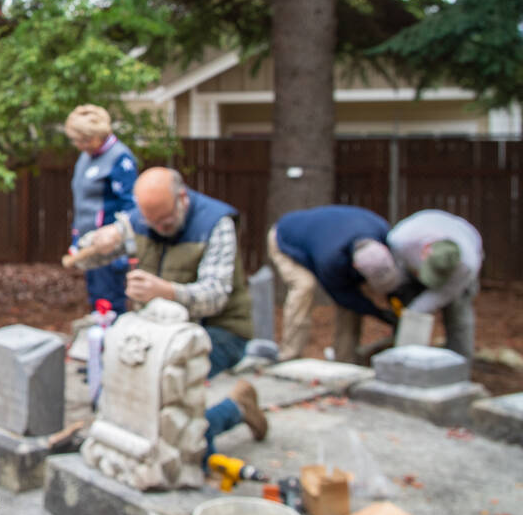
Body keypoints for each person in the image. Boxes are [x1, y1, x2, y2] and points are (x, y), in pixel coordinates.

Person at [63, 167, 263, 452]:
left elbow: (215, 296)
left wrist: (166, 291)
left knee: (165, 390)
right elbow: (83, 261)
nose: (156, 228)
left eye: (165, 222)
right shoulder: (142, 220)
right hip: (159, 332)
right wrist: (94, 243)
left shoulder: (216, 224)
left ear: (181, 199)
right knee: (127, 380)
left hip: (220, 330)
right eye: (150, 221)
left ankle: (232, 412)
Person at [268, 205, 404, 363]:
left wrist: (398, 309)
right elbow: (344, 297)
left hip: (326, 236)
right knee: (305, 286)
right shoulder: (331, 260)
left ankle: (345, 361)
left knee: (353, 303)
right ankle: (289, 354)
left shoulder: (383, 231)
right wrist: (379, 313)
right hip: (286, 238)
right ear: (356, 267)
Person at [64, 104, 138, 313]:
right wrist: (77, 237)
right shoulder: (87, 156)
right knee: (96, 298)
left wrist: (118, 237)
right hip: (89, 242)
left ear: (96, 136)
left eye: (82, 140)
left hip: (108, 246)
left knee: (110, 301)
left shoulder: (120, 158)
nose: (78, 145)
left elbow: (130, 206)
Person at [387, 209, 483, 359]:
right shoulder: (401, 240)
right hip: (410, 267)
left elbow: (444, 294)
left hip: (461, 271)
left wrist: (415, 311)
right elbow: (396, 266)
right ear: (425, 251)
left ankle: (459, 365)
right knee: (408, 313)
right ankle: (404, 359)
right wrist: (405, 304)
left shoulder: (467, 265)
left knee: (458, 316)